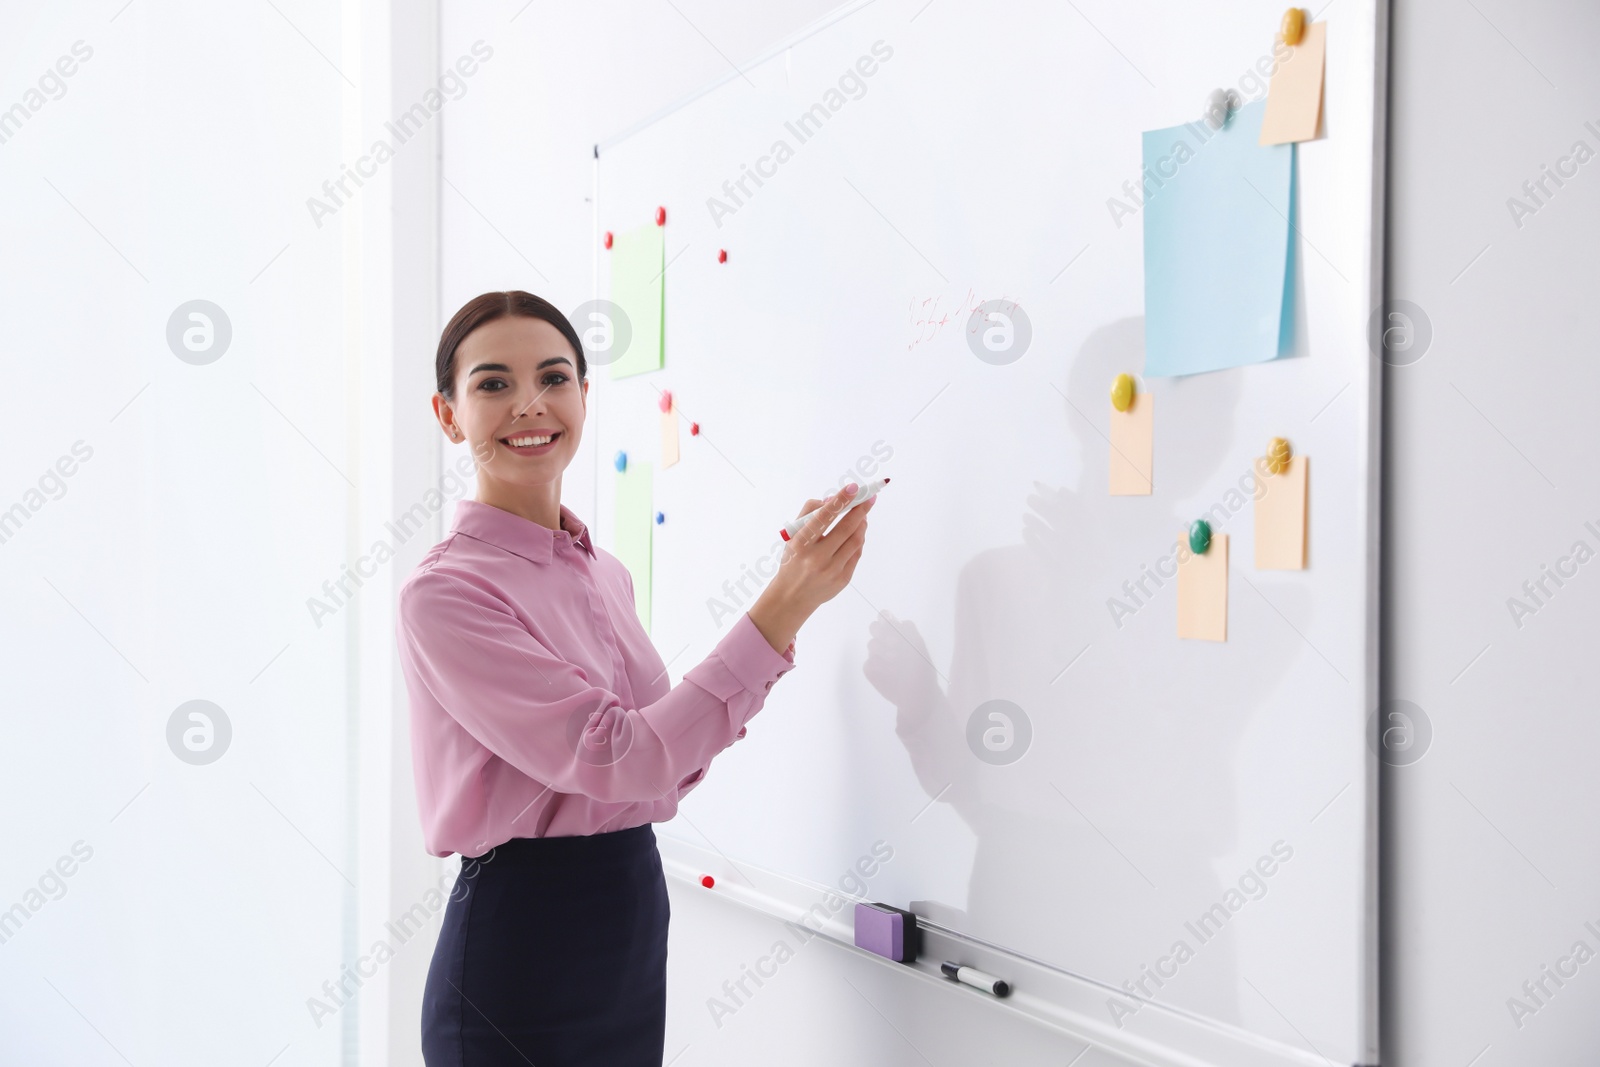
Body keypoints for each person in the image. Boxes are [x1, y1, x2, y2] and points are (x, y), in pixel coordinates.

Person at [394, 291, 873, 1066]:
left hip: (628, 919)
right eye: (492, 384)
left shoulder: (604, 572)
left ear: (583, 395)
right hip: (521, 942)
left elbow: (662, 768)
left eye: (554, 377)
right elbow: (623, 755)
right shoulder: (445, 593)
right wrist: (782, 605)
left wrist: (787, 606)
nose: (530, 403)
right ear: (448, 414)